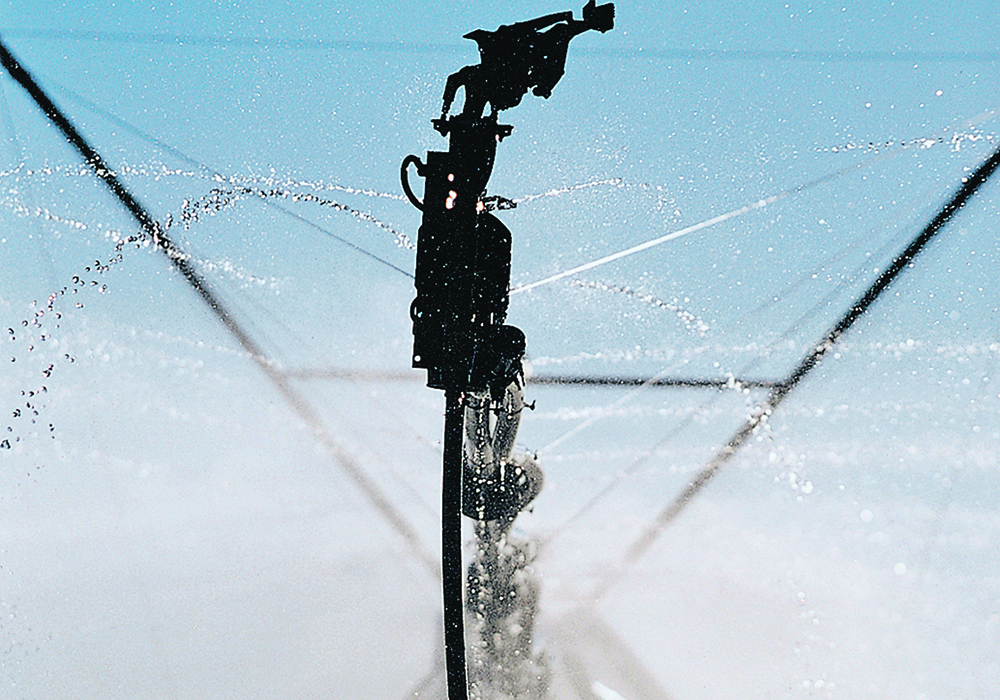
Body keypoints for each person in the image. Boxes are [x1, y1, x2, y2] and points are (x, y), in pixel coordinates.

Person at [441, 1, 615, 120]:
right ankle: (482, 118)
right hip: (509, 86)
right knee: (473, 111)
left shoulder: (510, 39)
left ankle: (484, 117)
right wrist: (445, 110)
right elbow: (453, 80)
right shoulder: (477, 71)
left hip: (510, 86)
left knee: (560, 33)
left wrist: (445, 111)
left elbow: (537, 27)